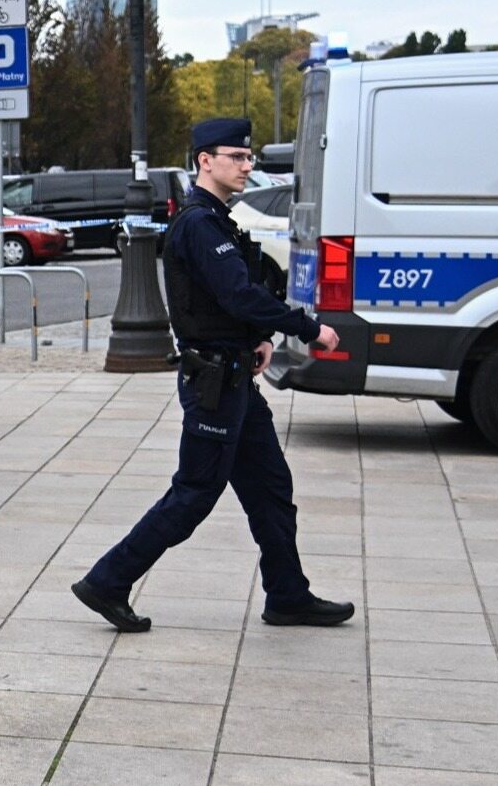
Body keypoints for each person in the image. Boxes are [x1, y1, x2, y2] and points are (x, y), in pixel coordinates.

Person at [71, 119, 352, 634]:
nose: (248, 166)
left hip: (237, 376)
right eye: (237, 157)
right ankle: (108, 580)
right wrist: (308, 329)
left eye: (248, 158)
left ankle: (288, 596)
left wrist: (261, 338)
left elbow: (236, 295)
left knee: (270, 489)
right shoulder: (199, 223)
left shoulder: (218, 219)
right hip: (215, 385)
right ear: (206, 160)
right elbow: (238, 294)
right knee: (195, 493)